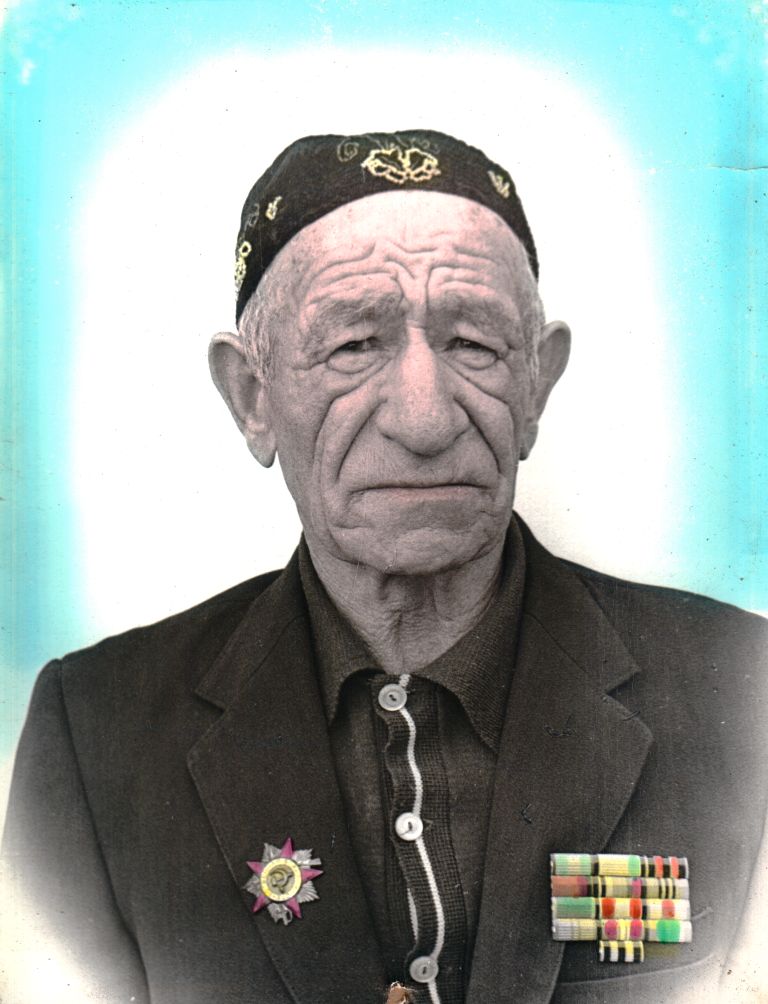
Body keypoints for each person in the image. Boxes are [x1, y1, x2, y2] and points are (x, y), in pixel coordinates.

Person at [3, 130, 767, 1004]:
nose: (423, 418)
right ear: (252, 397)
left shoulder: (747, 691)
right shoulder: (94, 734)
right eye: (353, 346)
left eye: (473, 344)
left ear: (537, 385)